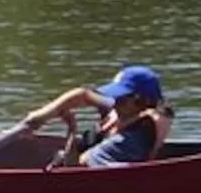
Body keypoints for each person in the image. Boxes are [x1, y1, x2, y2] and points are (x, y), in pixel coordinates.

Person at [19, 65, 172, 167]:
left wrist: (65, 155)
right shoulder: (119, 116)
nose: (115, 102)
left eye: (121, 98)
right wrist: (66, 126)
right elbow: (83, 95)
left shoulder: (130, 140)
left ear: (141, 101)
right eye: (115, 96)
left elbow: (77, 168)